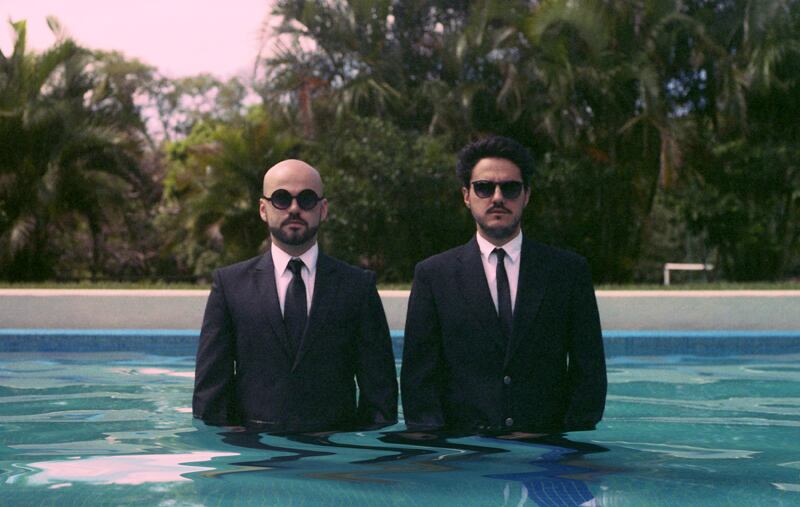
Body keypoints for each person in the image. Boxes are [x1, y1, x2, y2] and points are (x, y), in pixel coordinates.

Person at [401, 136, 606, 435]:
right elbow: (418, 380)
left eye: (510, 188)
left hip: (548, 447)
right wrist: (440, 451)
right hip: (464, 448)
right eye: (484, 187)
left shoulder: (568, 272)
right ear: (466, 195)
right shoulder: (433, 275)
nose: (497, 197)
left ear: (526, 195)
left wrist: (570, 444)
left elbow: (589, 371)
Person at [193, 159, 398, 432]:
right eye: (281, 198)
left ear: (323, 209)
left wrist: (361, 452)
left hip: (334, 448)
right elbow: (210, 392)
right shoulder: (229, 285)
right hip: (254, 448)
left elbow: (380, 392)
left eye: (306, 199)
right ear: (263, 209)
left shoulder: (357, 286)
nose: (294, 208)